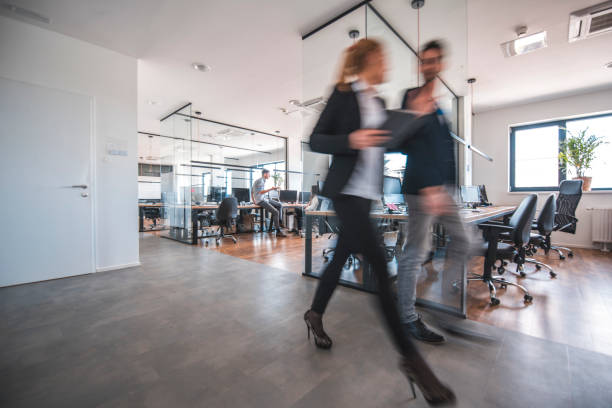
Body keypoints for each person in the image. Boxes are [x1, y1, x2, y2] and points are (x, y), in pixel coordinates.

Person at [303, 38, 455, 405]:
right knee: (378, 269)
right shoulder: (343, 94)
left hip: (367, 194)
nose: (387, 63)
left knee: (340, 258)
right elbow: (316, 139)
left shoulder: (380, 103)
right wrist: (352, 138)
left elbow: (387, 145)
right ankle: (412, 361)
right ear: (367, 60)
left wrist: (414, 120)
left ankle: (314, 313)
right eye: (382, 57)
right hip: (346, 193)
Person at [396, 40, 471, 344]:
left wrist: (450, 189)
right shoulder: (411, 97)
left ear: (441, 64)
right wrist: (413, 116)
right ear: (420, 65)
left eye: (434, 60)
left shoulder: (439, 106)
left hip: (443, 191)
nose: (429, 65)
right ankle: (407, 317)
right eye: (424, 61)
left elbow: (443, 150)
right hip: (420, 189)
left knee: (464, 241)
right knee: (416, 252)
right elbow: (400, 144)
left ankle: (445, 312)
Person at [252, 169, 287, 237]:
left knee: (279, 204)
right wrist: (271, 189)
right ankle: (278, 231)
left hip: (264, 199)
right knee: (276, 212)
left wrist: (254, 200)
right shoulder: (260, 181)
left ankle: (279, 221)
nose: (269, 175)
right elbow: (261, 192)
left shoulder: (262, 180)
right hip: (261, 201)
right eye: (268, 174)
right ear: (265, 174)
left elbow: (252, 191)